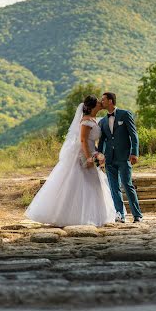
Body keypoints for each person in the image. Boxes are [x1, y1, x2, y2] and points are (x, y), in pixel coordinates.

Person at [25, 95, 116, 227]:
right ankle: (72, 216)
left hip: (91, 152)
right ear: (92, 107)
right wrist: (89, 157)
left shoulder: (94, 120)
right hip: (83, 154)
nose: (100, 103)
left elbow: (91, 141)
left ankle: (92, 216)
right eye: (98, 102)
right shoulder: (85, 121)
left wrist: (97, 154)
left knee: (94, 184)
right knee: (79, 183)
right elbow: (83, 140)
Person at [98, 92, 143, 223]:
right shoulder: (103, 121)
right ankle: (120, 214)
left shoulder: (125, 114)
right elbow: (102, 141)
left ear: (111, 101)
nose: (102, 102)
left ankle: (137, 215)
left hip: (124, 157)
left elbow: (134, 135)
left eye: (104, 100)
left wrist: (134, 153)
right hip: (109, 159)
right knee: (114, 187)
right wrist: (100, 157)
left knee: (127, 185)